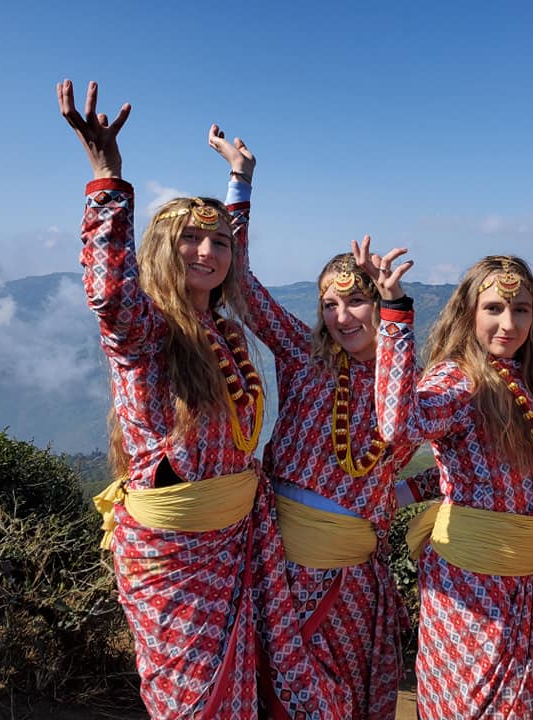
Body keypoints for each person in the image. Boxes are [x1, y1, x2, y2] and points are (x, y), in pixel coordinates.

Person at [57, 79, 338, 720]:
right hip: (175, 553)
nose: (207, 251)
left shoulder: (225, 329)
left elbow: (236, 261)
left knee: (236, 690)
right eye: (191, 238)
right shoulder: (148, 329)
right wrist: (107, 180)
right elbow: (108, 296)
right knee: (190, 702)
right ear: (163, 247)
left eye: (219, 243)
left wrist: (241, 180)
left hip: (235, 536)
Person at [207, 128, 440, 719]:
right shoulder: (304, 356)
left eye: (356, 301)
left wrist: (401, 495)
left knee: (341, 700)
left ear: (381, 305)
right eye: (330, 305)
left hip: (351, 578)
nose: (342, 316)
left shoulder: (412, 386)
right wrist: (240, 182)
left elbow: (458, 460)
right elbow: (240, 286)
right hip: (276, 567)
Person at [365, 225, 533, 719]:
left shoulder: (527, 375)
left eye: (520, 310)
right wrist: (394, 312)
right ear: (469, 313)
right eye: (494, 309)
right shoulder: (459, 377)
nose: (508, 324)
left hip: (525, 582)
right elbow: (400, 426)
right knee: (472, 705)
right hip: (471, 587)